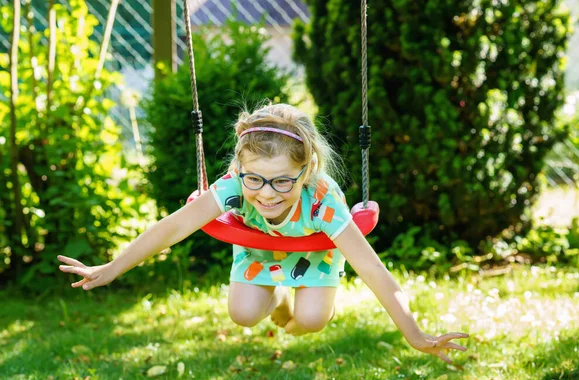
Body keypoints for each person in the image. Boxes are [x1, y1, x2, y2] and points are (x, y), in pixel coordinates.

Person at [58, 103, 468, 364]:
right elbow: (175, 227)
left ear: (305, 173)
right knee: (243, 314)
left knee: (310, 321)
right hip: (260, 248)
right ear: (239, 166)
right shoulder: (237, 185)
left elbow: (374, 270)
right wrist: (113, 267)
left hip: (315, 248)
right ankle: (278, 293)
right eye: (255, 179)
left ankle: (294, 301)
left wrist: (415, 334)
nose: (266, 194)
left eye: (282, 182)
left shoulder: (323, 204)